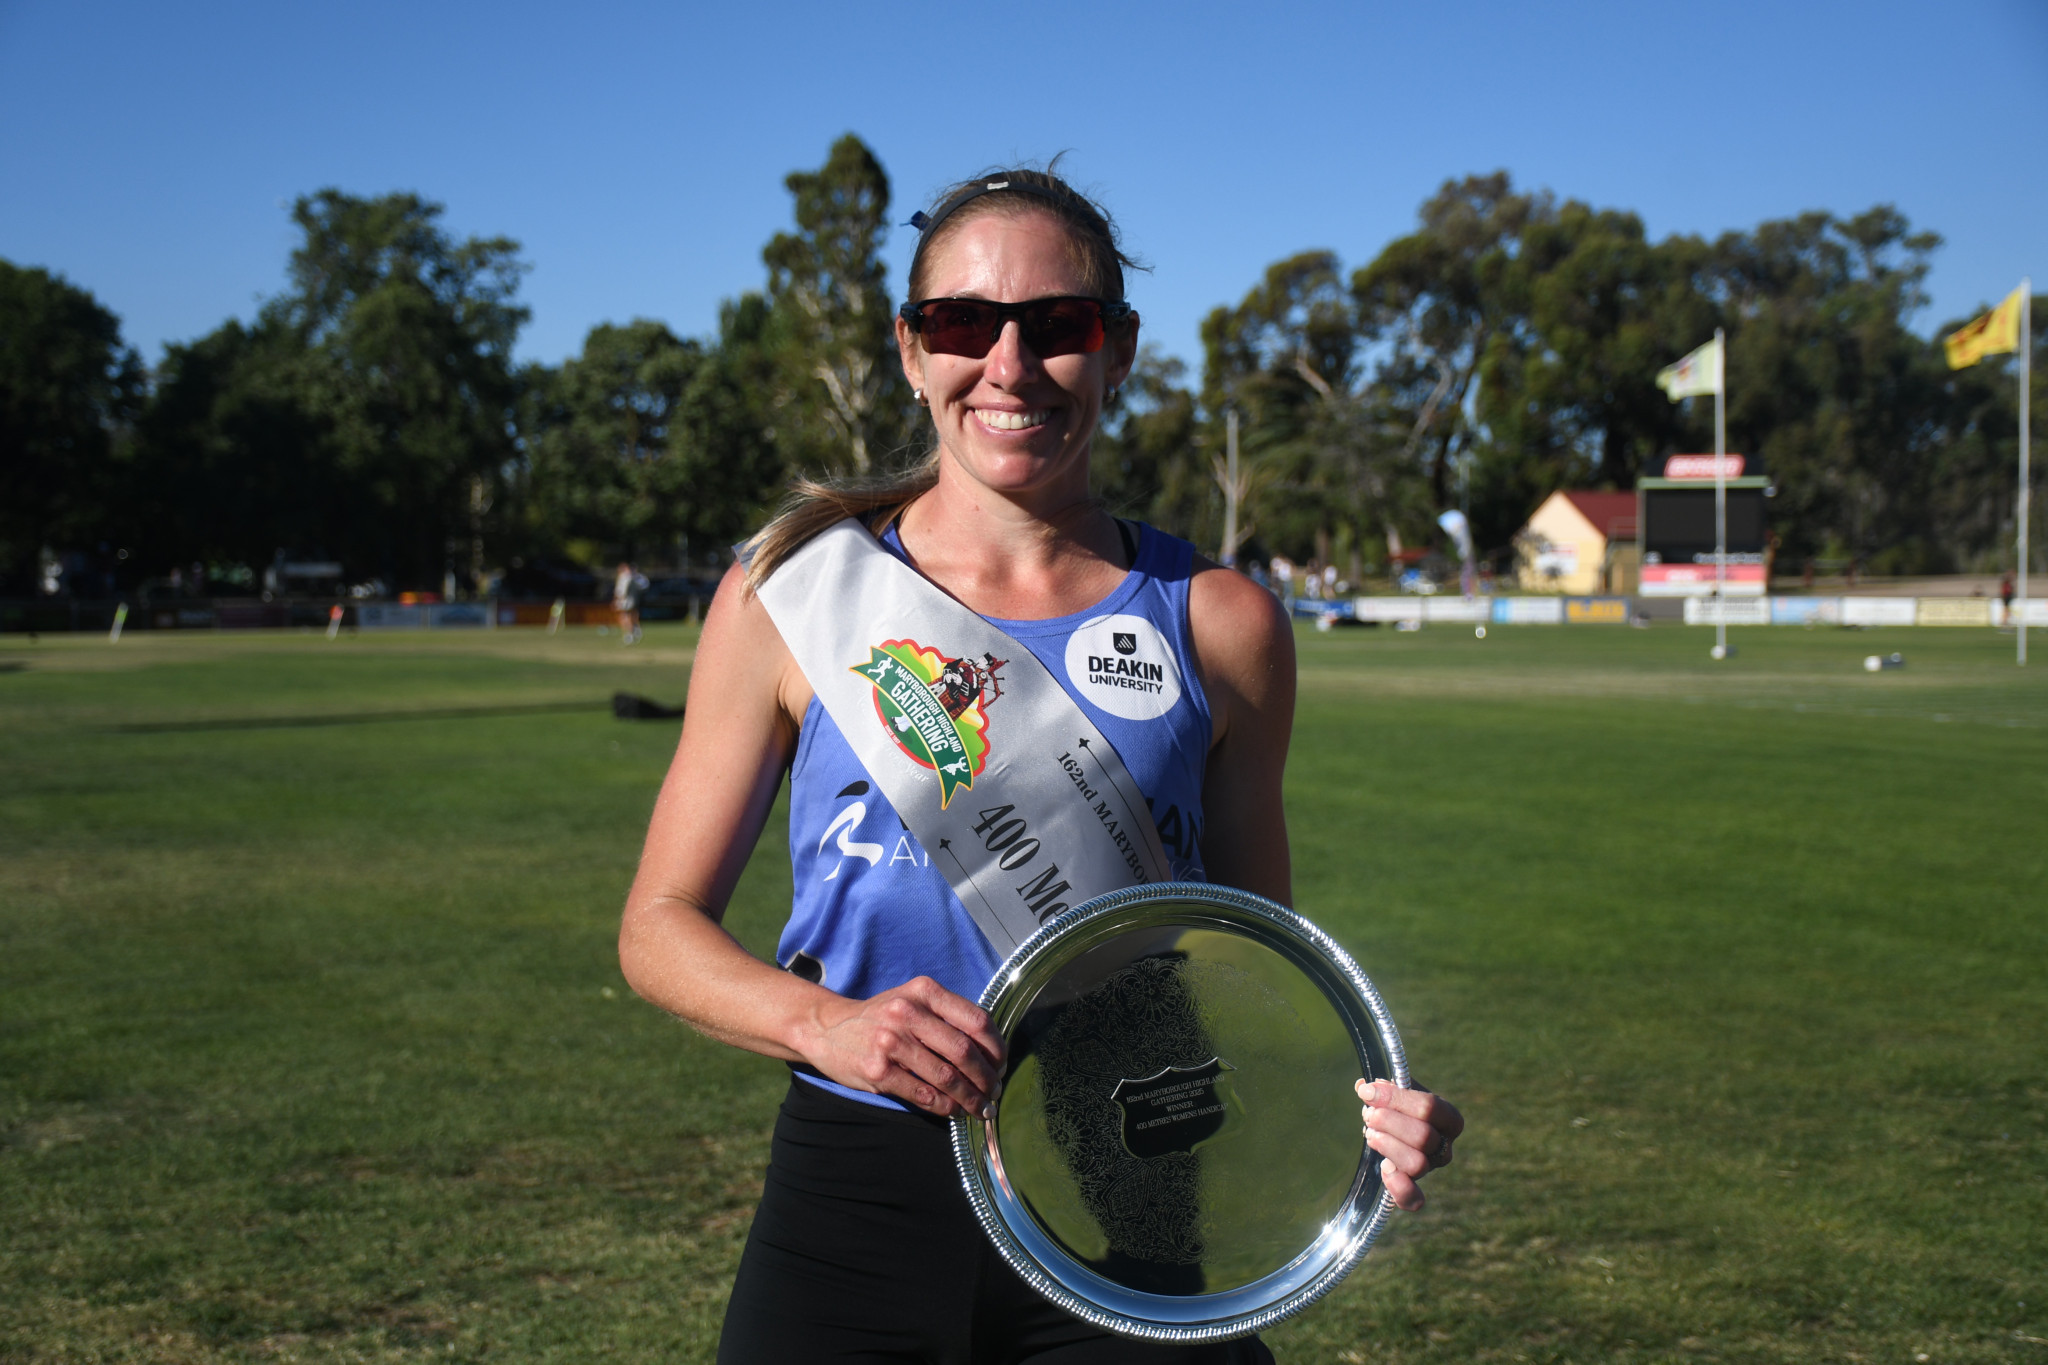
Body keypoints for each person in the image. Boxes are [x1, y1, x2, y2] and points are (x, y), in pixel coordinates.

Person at [617, 166, 1462, 1363]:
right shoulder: (792, 598)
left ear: (1115, 351)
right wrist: (827, 1027)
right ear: (911, 353)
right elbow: (655, 927)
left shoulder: (1221, 624)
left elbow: (1256, 965)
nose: (1007, 366)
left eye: (1054, 325)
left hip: (1129, 1167)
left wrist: (1369, 1109)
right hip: (853, 1199)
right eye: (962, 323)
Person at [613, 561, 646, 644]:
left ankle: (630, 634)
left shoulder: (624, 577)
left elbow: (621, 592)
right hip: (630, 600)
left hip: (625, 600)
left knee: (625, 617)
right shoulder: (630, 577)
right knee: (630, 615)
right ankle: (634, 631)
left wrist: (617, 600)